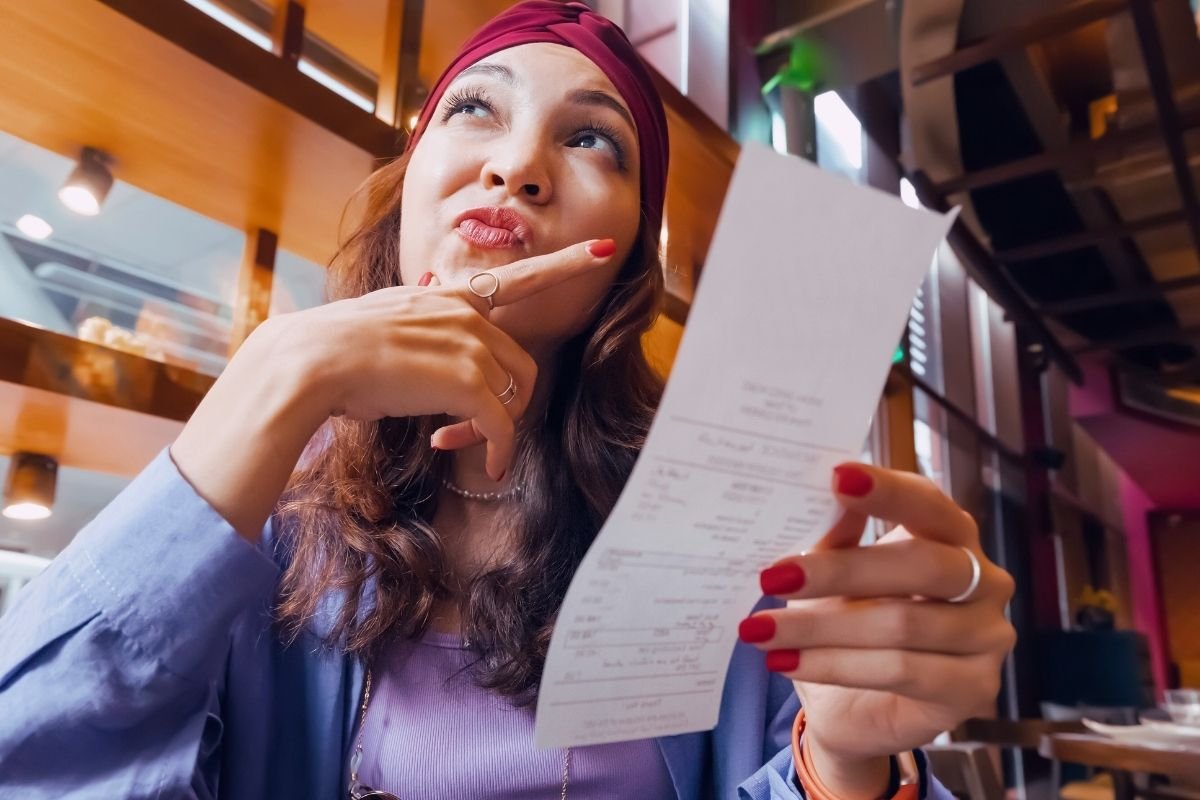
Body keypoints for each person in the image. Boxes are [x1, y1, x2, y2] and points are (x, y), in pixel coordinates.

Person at [0, 3, 1015, 798]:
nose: (517, 165)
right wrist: (272, 378)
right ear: (410, 183)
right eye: (476, 108)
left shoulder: (720, 537)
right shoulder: (262, 510)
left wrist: (846, 767)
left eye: (593, 143)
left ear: (629, 260)